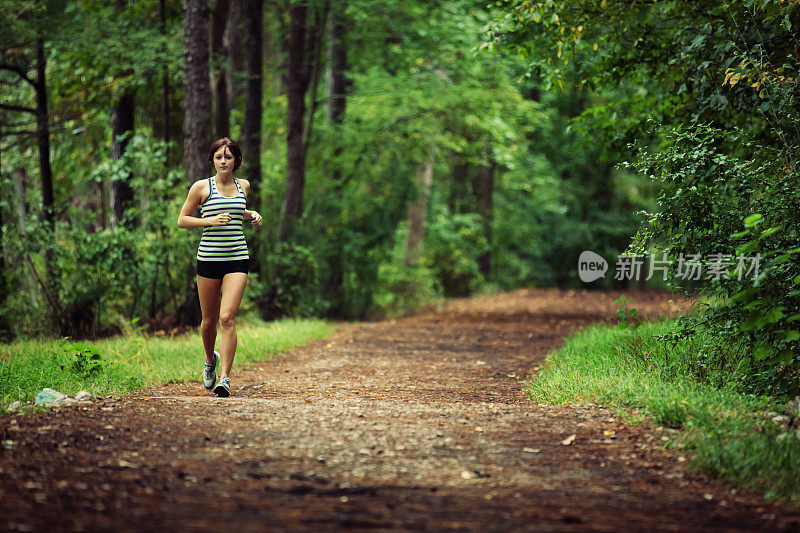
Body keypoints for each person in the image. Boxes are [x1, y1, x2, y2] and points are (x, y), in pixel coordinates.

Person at [177, 138, 262, 397]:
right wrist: (210, 221)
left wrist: (252, 214)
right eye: (218, 157)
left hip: (237, 258)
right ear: (212, 160)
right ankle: (209, 362)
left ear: (236, 160)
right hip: (209, 260)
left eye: (228, 157)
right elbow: (182, 220)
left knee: (227, 317)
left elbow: (237, 210)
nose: (223, 161)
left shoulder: (243, 185)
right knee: (208, 321)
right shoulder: (201, 187)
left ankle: (225, 377)